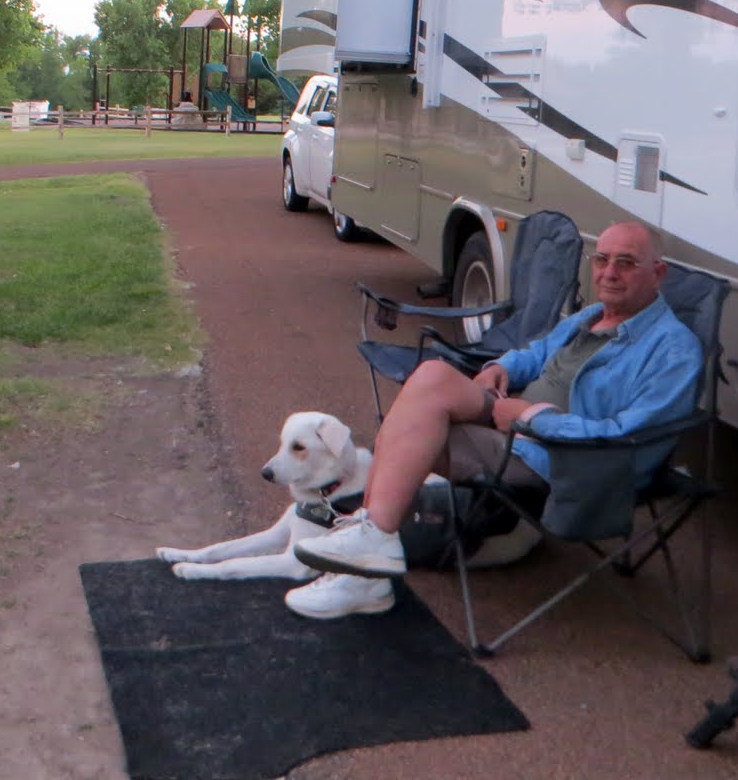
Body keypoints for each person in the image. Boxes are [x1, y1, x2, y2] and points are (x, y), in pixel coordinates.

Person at [285, 220, 702, 620]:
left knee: (412, 432)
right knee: (430, 378)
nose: (609, 272)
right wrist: (501, 368)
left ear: (658, 272)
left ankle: (367, 563)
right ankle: (373, 540)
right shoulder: (591, 315)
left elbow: (627, 434)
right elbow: (536, 353)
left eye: (626, 263)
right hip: (514, 425)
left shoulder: (674, 350)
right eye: (601, 259)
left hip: (564, 459)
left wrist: (533, 417)